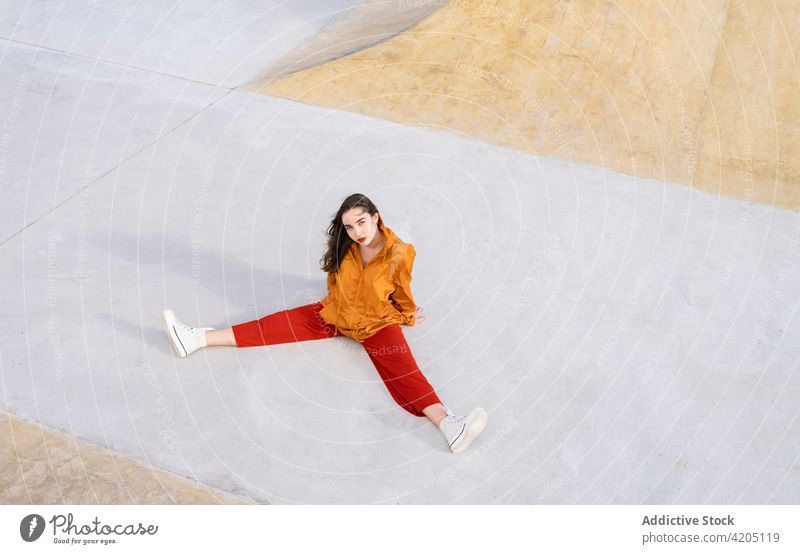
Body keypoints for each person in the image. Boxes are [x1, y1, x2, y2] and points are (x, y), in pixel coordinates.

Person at [161, 193, 487, 454]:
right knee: (273, 326)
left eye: (362, 222)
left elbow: (401, 290)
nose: (358, 231)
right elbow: (333, 279)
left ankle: (450, 426)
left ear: (376, 217)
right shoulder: (345, 247)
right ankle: (197, 339)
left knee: (406, 370)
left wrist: (407, 314)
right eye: (350, 226)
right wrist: (336, 306)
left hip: (376, 325)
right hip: (335, 315)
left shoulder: (400, 253)